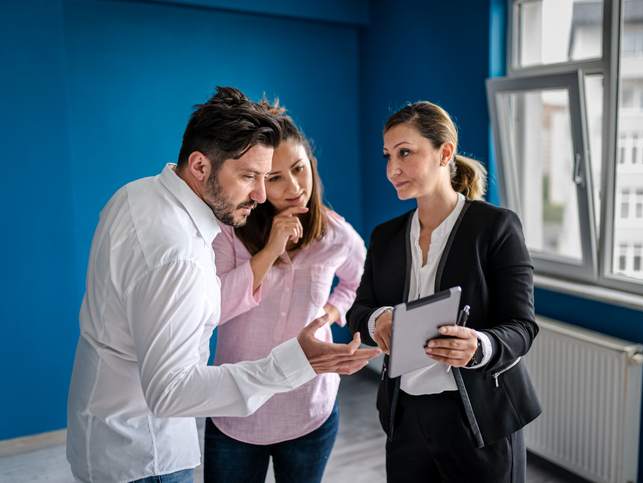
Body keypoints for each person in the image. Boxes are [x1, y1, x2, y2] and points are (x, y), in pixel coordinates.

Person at [66, 87, 380, 483]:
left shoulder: (133, 195)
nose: (263, 194)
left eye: (269, 176)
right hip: (146, 453)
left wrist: (331, 312)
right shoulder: (184, 254)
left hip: (107, 434)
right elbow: (171, 391)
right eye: (251, 176)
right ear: (200, 166)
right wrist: (297, 360)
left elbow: (190, 309)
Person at [347, 101, 542, 483]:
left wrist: (480, 346)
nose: (392, 169)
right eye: (388, 156)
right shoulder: (385, 237)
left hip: (479, 419)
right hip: (405, 417)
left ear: (445, 153)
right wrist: (376, 319)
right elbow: (360, 308)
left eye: (405, 153)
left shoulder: (496, 227)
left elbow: (522, 326)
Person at [203, 101, 366, 483]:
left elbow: (360, 281)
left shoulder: (336, 234)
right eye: (275, 178)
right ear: (256, 181)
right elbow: (215, 308)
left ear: (311, 163)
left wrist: (329, 313)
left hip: (310, 407)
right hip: (238, 409)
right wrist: (270, 251)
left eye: (299, 169)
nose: (294, 188)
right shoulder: (228, 232)